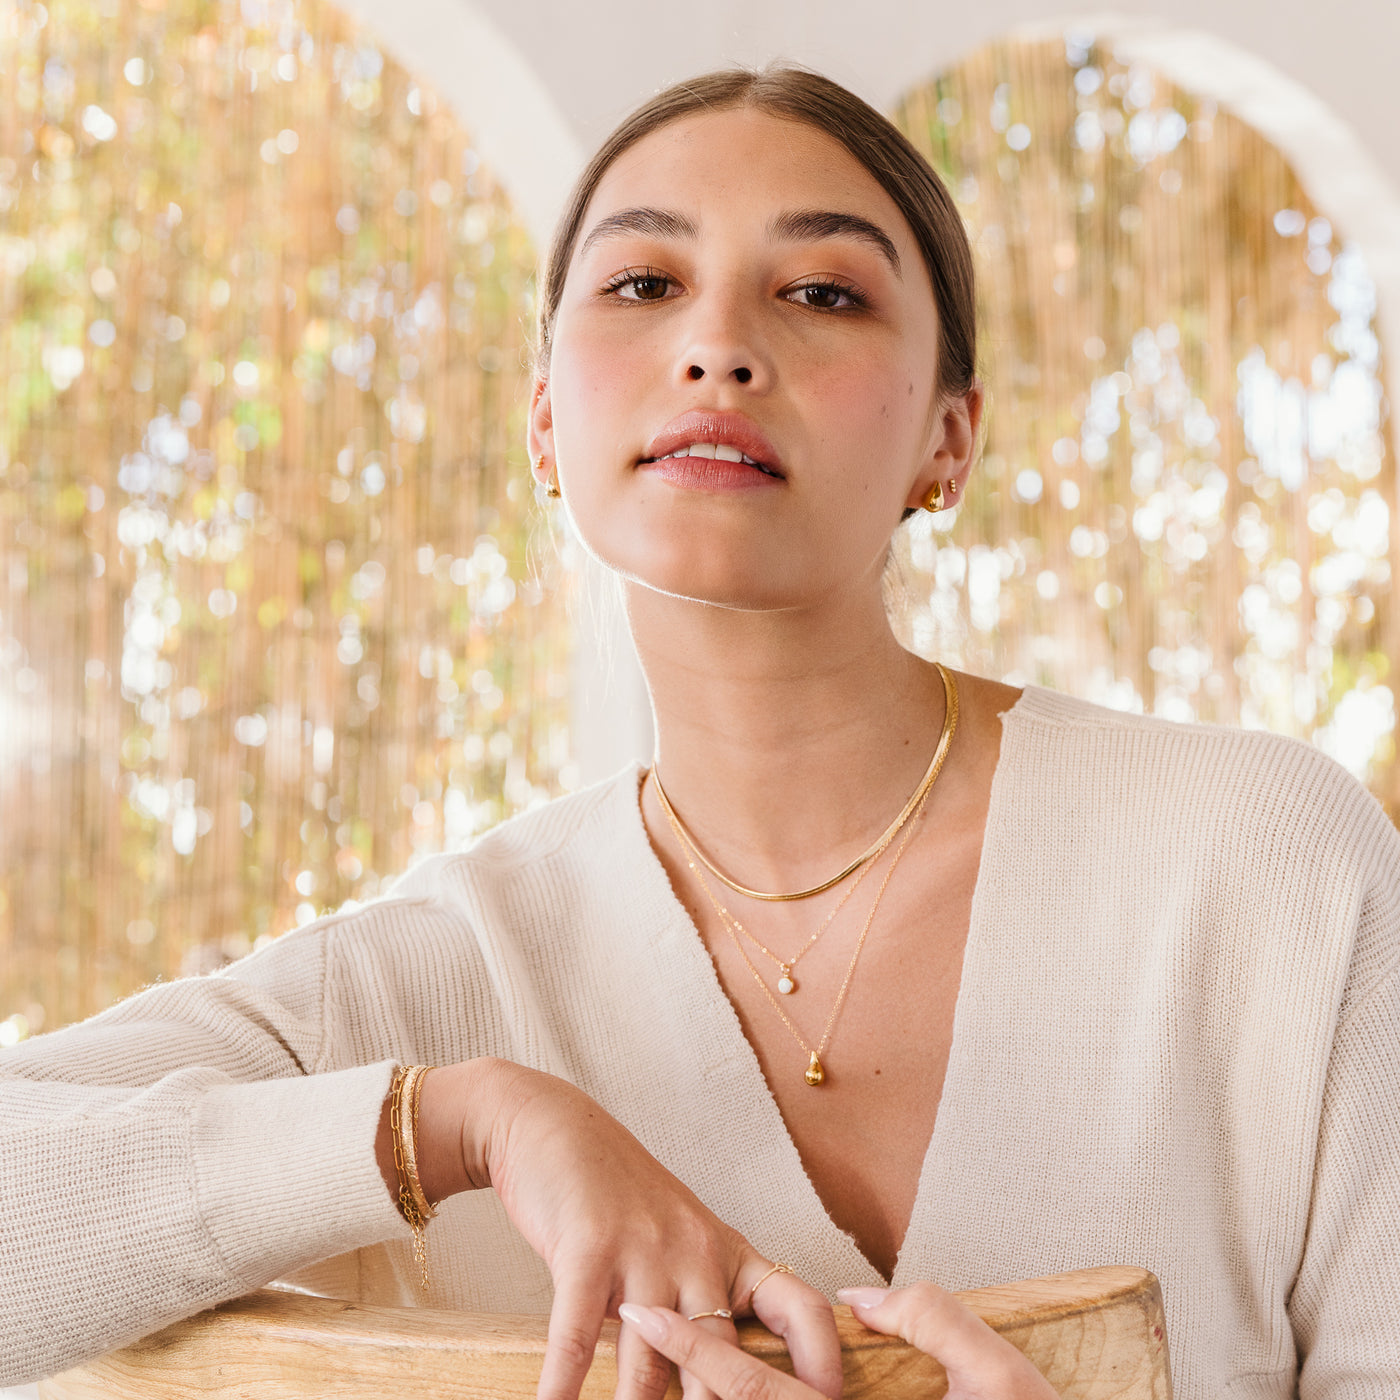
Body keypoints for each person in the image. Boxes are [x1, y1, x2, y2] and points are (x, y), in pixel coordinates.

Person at [3, 63, 1398, 1400]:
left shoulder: (1263, 866)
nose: (719, 345)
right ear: (547, 424)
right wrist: (463, 1123)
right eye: (643, 283)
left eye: (821, 292)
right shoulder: (429, 983)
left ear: (948, 441)